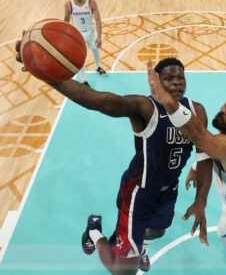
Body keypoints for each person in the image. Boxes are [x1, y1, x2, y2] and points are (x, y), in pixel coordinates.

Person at [15, 34, 211, 273]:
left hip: (168, 192)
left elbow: (205, 157)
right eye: (169, 78)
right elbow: (93, 100)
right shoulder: (144, 107)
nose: (177, 82)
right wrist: (43, 70)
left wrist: (201, 200)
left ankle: (139, 249)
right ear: (156, 82)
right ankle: (95, 232)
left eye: (181, 77)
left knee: (158, 230)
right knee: (122, 271)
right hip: (138, 195)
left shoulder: (197, 111)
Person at [148, 60, 226, 264]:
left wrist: (167, 101)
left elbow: (201, 138)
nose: (224, 110)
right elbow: (211, 152)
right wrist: (194, 167)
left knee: (225, 235)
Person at [65, 0, 108, 87]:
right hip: (78, 34)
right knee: (81, 56)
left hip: (91, 32)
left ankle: (97, 67)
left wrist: (99, 36)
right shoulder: (69, 5)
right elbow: (66, 21)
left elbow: (98, 20)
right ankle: (83, 79)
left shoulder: (91, 2)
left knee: (95, 50)